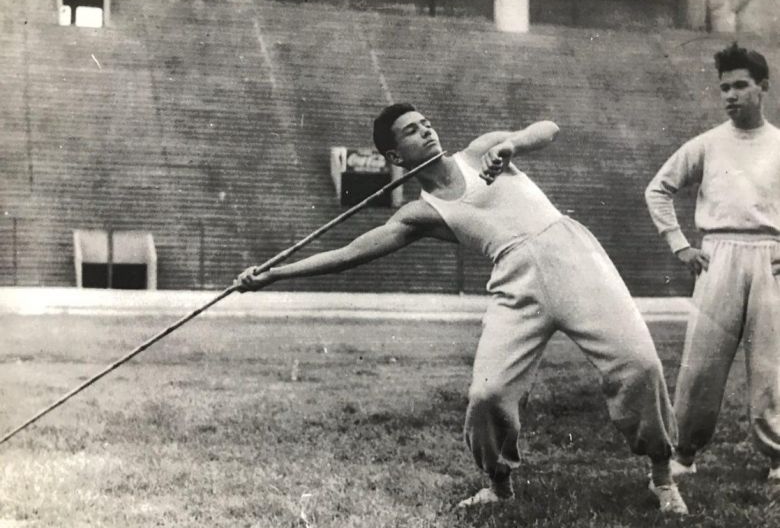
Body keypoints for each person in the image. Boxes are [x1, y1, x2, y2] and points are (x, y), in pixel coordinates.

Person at [237, 103, 688, 514]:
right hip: (515, 282)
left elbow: (548, 127)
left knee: (640, 364)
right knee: (487, 396)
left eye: (426, 124)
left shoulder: (479, 153)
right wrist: (275, 274)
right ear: (395, 157)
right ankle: (498, 485)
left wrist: (513, 144)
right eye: (412, 132)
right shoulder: (421, 213)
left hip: (573, 258)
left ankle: (663, 478)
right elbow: (350, 253)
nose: (426, 132)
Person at [645, 42, 780, 485]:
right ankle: (684, 452)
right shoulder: (708, 144)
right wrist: (680, 244)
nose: (731, 95)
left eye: (741, 85)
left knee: (771, 365)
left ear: (763, 88)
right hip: (717, 255)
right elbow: (658, 189)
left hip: (771, 260)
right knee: (702, 363)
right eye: (724, 87)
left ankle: (778, 456)